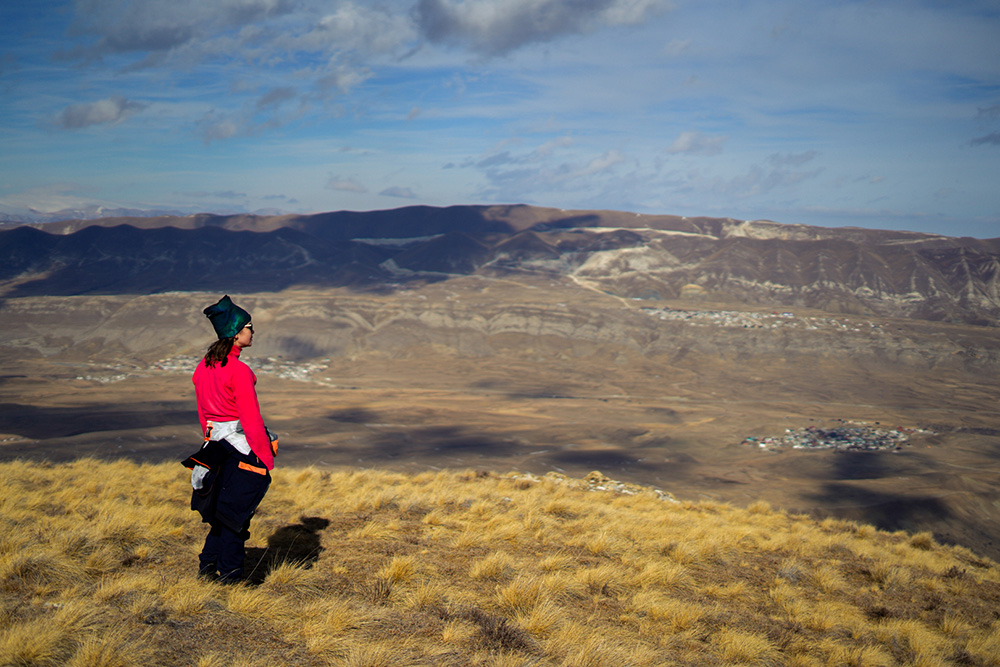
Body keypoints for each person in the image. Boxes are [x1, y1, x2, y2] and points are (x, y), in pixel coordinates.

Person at [183, 295, 277, 583]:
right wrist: (264, 457)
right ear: (236, 334)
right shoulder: (239, 371)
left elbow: (203, 413)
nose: (252, 332)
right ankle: (232, 577)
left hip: (212, 447)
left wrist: (210, 441)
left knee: (220, 513)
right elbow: (250, 419)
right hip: (239, 448)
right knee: (236, 517)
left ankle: (208, 568)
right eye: (249, 327)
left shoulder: (204, 367)